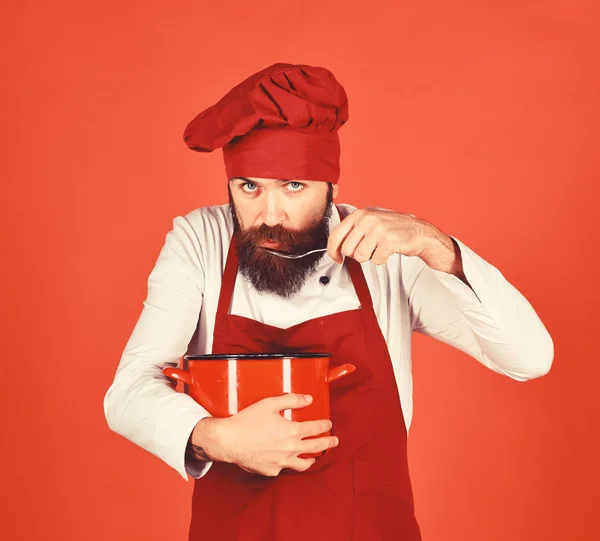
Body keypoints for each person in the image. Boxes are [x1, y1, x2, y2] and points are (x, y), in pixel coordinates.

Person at [104, 63, 553, 541]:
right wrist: (219, 438)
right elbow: (127, 393)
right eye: (249, 187)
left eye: (293, 187)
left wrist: (435, 245)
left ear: (331, 186)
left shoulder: (384, 253)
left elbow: (530, 358)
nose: (269, 216)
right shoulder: (201, 240)